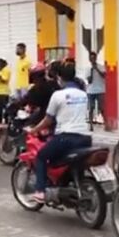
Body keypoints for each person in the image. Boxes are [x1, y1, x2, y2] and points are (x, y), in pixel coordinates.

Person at [28, 62, 91, 202]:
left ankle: (40, 191)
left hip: (66, 137)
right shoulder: (83, 94)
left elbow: (48, 120)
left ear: (59, 78)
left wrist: (34, 130)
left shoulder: (58, 95)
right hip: (86, 137)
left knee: (41, 157)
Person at [86, 51, 106, 125]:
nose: (92, 60)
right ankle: (91, 124)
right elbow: (89, 81)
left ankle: (105, 123)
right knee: (91, 108)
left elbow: (104, 76)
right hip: (91, 91)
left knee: (102, 108)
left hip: (100, 90)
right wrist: (91, 71)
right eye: (91, 58)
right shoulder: (88, 68)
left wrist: (96, 69)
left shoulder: (101, 66)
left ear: (96, 58)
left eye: (94, 58)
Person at [0, 58, 11, 124]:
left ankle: (6, 120)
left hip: (4, 91)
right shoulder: (0, 71)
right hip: (0, 91)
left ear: (1, 64)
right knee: (0, 107)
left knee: (4, 107)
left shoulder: (6, 70)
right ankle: (0, 120)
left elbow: (5, 80)